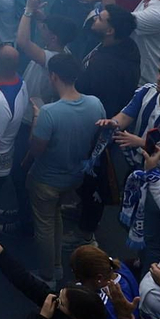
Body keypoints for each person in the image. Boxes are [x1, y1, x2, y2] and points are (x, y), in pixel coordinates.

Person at [24, 54, 105, 286]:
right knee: (55, 217)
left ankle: (47, 275)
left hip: (46, 180)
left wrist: (36, 118)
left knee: (44, 227)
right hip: (74, 177)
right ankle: (57, 266)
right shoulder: (95, 104)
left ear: (53, 76)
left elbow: (36, 149)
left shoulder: (49, 112)